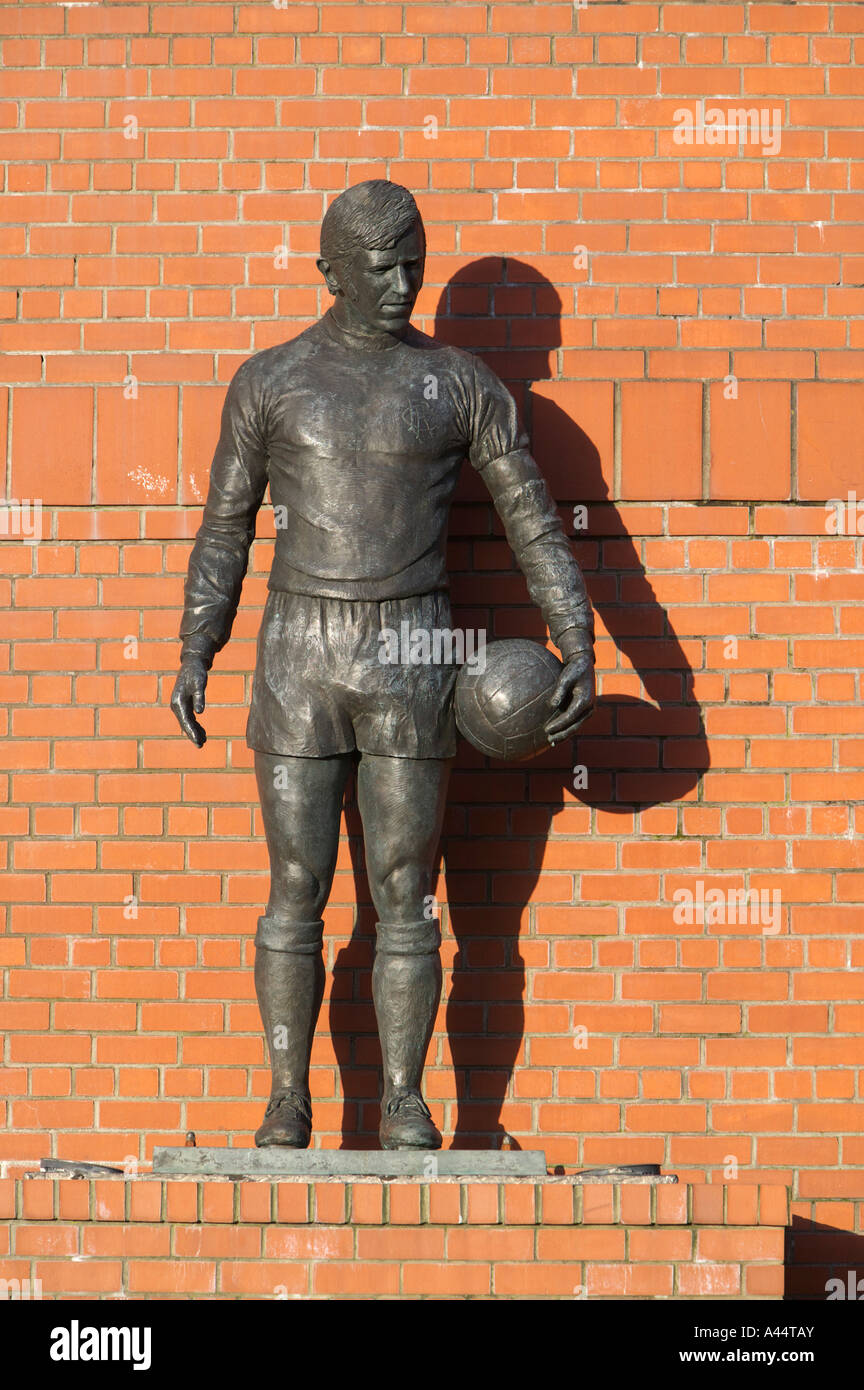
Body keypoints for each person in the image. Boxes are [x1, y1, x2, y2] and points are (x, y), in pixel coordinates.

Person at [171, 180, 595, 1150]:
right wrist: (199, 645)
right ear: (331, 272)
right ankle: (287, 1093)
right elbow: (226, 528)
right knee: (296, 882)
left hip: (414, 650)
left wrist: (579, 636)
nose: (404, 281)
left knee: (407, 887)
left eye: (415, 262)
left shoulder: (461, 385)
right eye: (381, 267)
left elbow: (532, 515)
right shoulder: (270, 381)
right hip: (299, 654)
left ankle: (404, 1097)